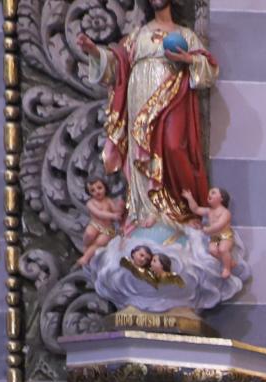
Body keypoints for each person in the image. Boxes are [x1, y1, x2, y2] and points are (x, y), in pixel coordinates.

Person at [78, 1, 217, 235]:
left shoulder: (185, 35)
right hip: (139, 99)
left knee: (174, 147)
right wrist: (94, 51)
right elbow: (117, 65)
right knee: (140, 153)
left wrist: (188, 60)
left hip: (173, 97)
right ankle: (145, 211)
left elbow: (208, 70)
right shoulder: (138, 35)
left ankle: (181, 210)